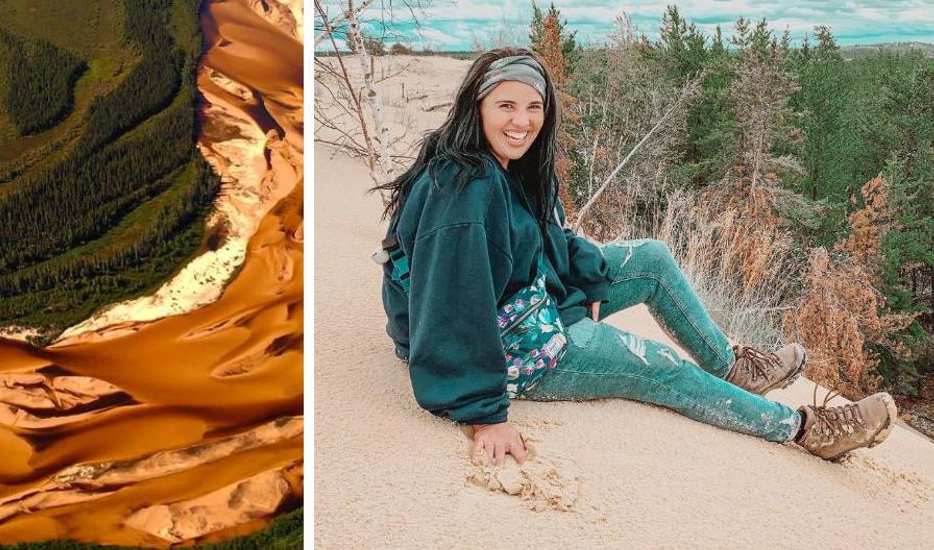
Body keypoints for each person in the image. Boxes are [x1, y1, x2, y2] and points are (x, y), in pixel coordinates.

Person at [377, 47, 897, 465]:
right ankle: (806, 429)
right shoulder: (463, 188)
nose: (522, 121)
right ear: (478, 108)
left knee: (649, 257)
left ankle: (732, 366)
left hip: (527, 298)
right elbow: (450, 303)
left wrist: (586, 277)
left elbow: (545, 232)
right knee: (664, 367)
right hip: (509, 346)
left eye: (533, 106)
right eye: (506, 106)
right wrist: (483, 413)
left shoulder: (511, 165)